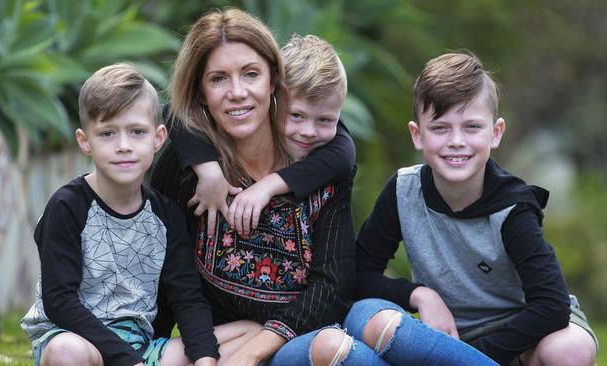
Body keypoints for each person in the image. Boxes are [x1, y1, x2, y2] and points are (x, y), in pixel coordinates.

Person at [151, 9, 498, 365]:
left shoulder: (323, 161)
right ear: (201, 92)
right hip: (232, 342)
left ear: (274, 81)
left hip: (299, 333)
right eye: (218, 79)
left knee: (361, 338)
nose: (237, 92)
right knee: (340, 345)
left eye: (251, 74)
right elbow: (167, 275)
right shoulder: (187, 169)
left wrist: (252, 354)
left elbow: (332, 283)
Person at [355, 51, 599, 366]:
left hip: (525, 332)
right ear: (418, 135)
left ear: (495, 133)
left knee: (568, 351)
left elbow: (551, 306)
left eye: (471, 127)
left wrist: (471, 359)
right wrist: (419, 295)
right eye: (440, 128)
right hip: (448, 331)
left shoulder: (513, 208)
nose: (456, 141)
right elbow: (359, 274)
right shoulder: (403, 191)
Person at [20, 63, 219, 366]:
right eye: (108, 133)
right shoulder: (67, 206)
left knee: (244, 334)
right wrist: (127, 361)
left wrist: (205, 360)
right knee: (66, 352)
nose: (124, 146)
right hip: (77, 339)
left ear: (158, 137)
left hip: (143, 345)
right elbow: (59, 301)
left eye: (137, 132)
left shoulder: (166, 215)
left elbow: (187, 298)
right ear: (85, 141)